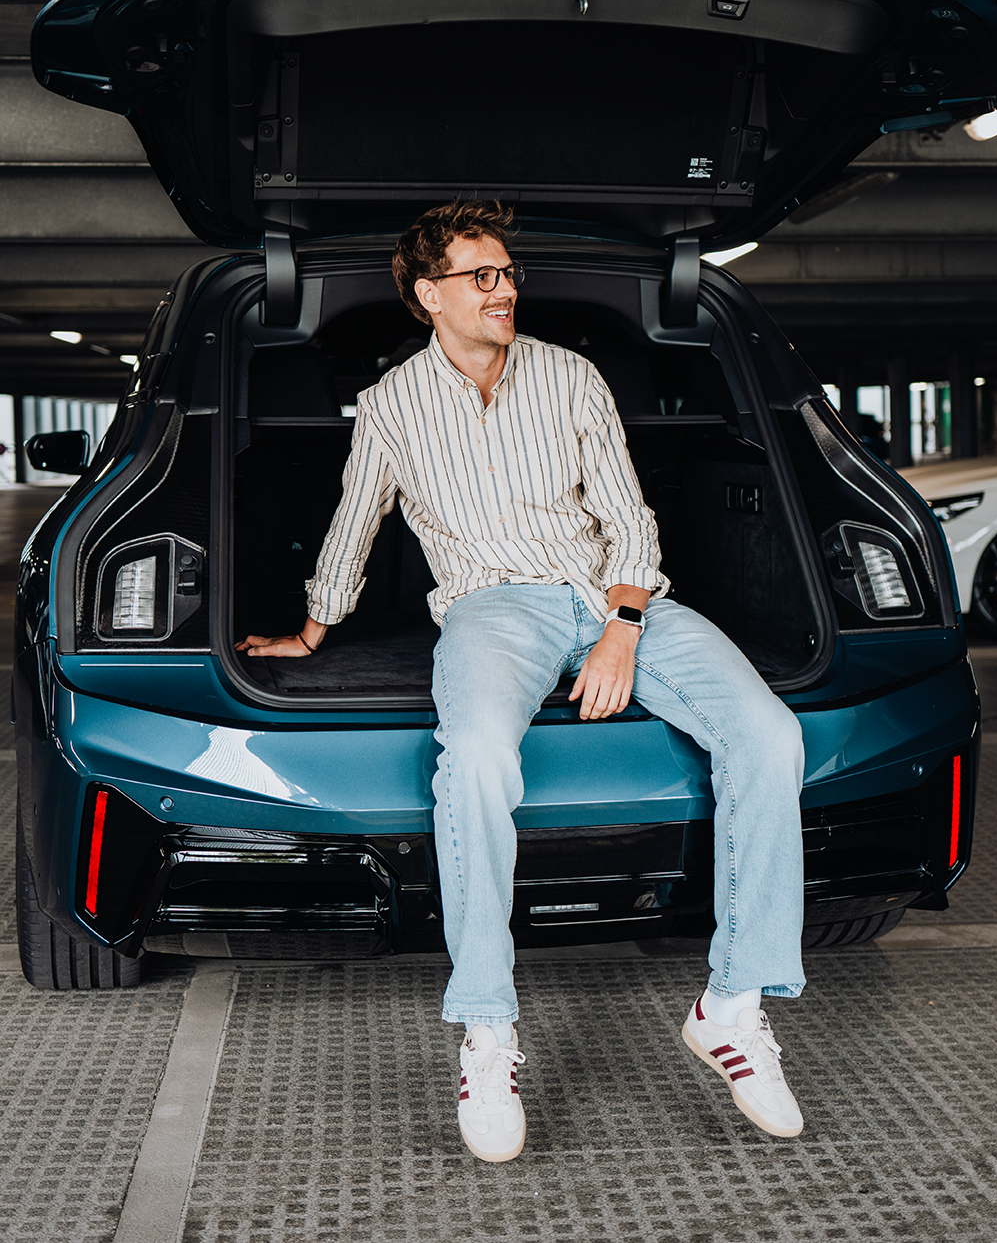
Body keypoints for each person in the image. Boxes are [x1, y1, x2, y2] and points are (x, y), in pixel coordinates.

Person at [238, 198, 807, 1161]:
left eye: (507, 273)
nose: (503, 290)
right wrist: (309, 630)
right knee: (474, 761)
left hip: (612, 595)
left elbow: (629, 516)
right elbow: (354, 523)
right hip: (490, 609)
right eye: (481, 276)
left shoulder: (571, 376)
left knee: (770, 735)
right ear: (430, 295)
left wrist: (622, 627)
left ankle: (734, 1006)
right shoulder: (391, 406)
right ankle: (487, 1028)